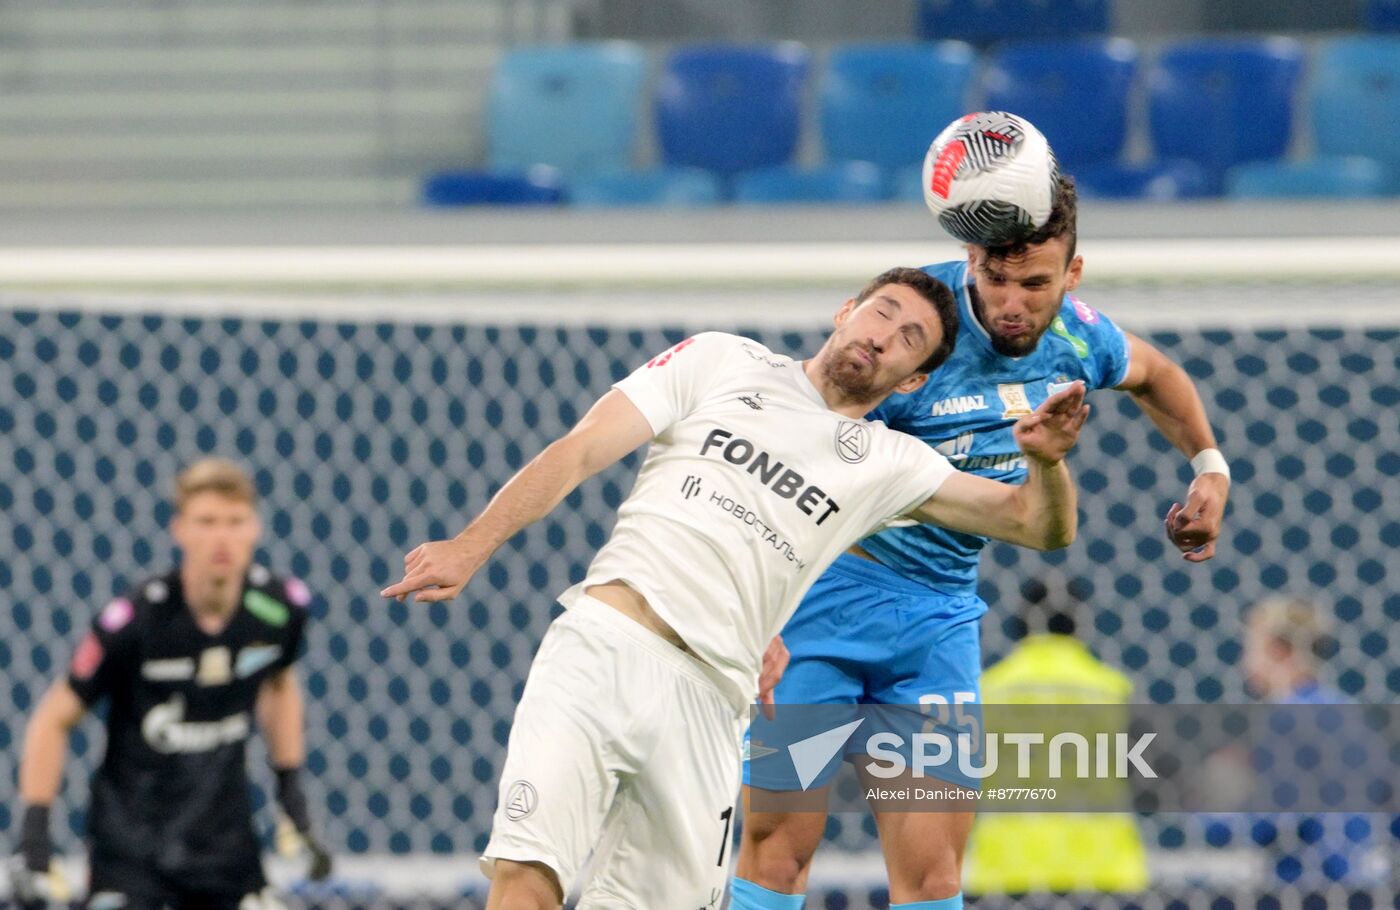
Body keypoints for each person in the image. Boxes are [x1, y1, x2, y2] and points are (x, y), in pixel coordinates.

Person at [381, 267, 1091, 910]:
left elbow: (1036, 526)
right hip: (604, 648)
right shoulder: (721, 360)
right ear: (846, 310)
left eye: (909, 339)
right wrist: (472, 544)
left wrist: (1048, 464)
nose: (884, 337)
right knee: (529, 876)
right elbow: (582, 448)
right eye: (881, 312)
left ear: (911, 382)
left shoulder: (888, 463)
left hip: (712, 703)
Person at [733, 176, 1231, 910]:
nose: (1009, 303)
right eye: (994, 279)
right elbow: (805, 436)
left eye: (1033, 282)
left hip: (938, 622)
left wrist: (1209, 467)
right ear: (969, 258)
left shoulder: (1081, 337)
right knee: (777, 855)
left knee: (934, 878)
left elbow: (1157, 375)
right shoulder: (915, 320)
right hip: (824, 604)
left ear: (1072, 275)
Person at [9, 459, 331, 910]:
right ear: (179, 530)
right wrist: (34, 836)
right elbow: (52, 718)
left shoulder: (277, 610)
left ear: (254, 528)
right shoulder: (136, 621)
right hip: (132, 851)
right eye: (206, 522)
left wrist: (290, 794)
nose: (222, 537)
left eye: (235, 522)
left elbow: (279, 684)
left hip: (226, 849)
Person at [962, 575, 1149, 896]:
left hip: (1007, 872)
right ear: (1081, 624)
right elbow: (1150, 783)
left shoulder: (990, 691)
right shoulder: (1112, 690)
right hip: (1102, 872)